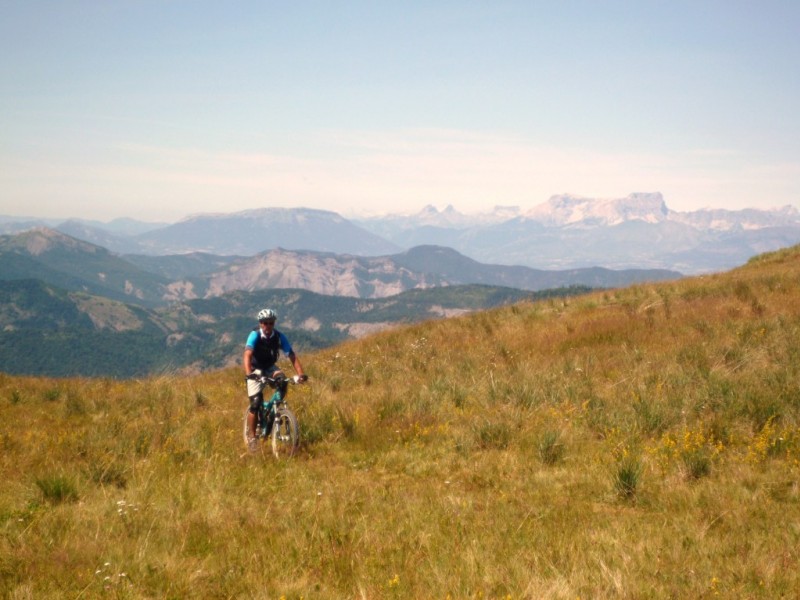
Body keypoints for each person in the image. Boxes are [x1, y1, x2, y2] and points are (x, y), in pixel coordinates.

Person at [243, 308, 306, 453]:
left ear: (274, 323)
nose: (268, 326)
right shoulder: (255, 335)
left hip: (270, 367)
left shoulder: (278, 336)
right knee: (255, 403)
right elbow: (247, 354)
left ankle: (274, 411)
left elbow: (291, 355)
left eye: (271, 323)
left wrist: (301, 374)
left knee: (282, 381)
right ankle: (253, 438)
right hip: (255, 369)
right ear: (260, 323)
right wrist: (249, 373)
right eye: (265, 323)